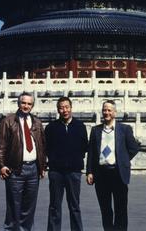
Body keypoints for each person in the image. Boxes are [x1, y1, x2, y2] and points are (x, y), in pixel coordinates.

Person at [0, 92, 46, 231]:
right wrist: (1, 165)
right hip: (15, 169)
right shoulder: (8, 121)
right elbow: (0, 145)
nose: (26, 106)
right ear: (18, 103)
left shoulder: (37, 122)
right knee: (13, 206)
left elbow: (41, 145)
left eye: (29, 104)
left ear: (32, 106)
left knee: (29, 207)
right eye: (23, 103)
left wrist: (42, 166)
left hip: (33, 169)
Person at [86, 100, 139, 231]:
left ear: (115, 112)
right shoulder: (96, 130)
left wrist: (123, 160)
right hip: (101, 174)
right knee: (105, 209)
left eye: (109, 110)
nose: (107, 112)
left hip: (118, 173)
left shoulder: (124, 129)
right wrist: (89, 172)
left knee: (120, 209)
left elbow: (133, 148)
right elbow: (91, 153)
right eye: (104, 110)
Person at [45, 97, 88, 231]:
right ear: (58, 109)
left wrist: (74, 161)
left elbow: (84, 147)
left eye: (67, 107)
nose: (64, 110)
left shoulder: (80, 126)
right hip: (56, 172)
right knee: (54, 206)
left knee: (74, 206)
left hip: (73, 172)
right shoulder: (51, 127)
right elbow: (47, 147)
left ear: (71, 107)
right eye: (61, 107)